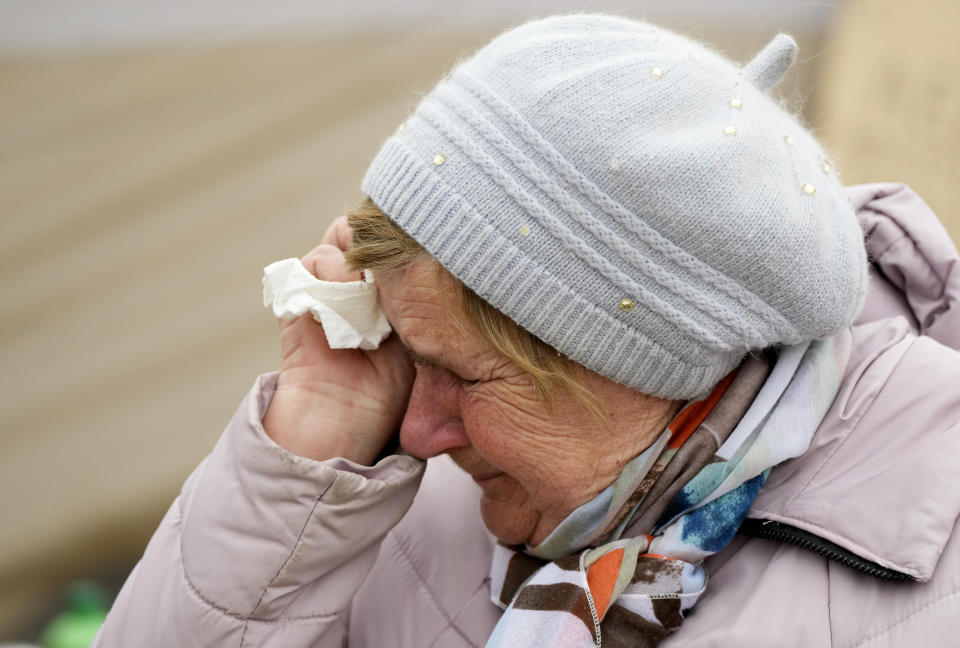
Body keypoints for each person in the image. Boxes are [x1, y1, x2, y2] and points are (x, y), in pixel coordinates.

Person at [93, 14, 960, 647]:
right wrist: (311, 436)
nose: (420, 434)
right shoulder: (393, 502)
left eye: (464, 376)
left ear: (653, 368)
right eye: (409, 352)